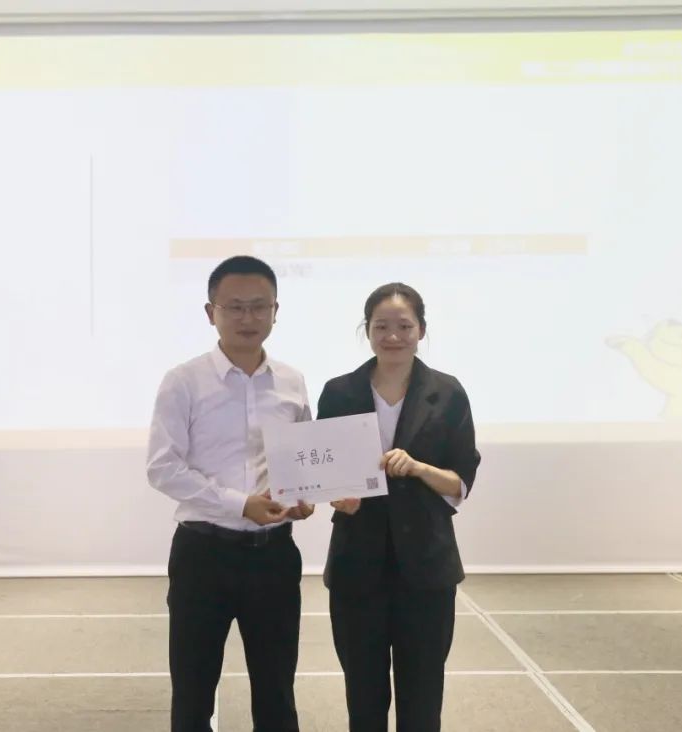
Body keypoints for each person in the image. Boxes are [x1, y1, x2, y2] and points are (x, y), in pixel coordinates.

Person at [147, 255, 315, 732]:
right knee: (194, 691)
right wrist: (240, 504)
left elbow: (301, 459)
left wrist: (304, 498)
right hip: (204, 556)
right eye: (235, 307)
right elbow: (162, 468)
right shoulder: (183, 381)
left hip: (274, 557)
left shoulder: (292, 381)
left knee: (277, 692)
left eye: (259, 306)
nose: (248, 318)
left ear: (276, 311)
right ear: (211, 312)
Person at [319, 282, 481, 732]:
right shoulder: (339, 392)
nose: (393, 336)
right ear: (367, 330)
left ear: (421, 330)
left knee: (423, 697)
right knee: (363, 697)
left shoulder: (448, 392)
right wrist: (338, 496)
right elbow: (326, 471)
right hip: (356, 565)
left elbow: (460, 481)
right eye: (381, 326)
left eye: (404, 326)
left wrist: (419, 468)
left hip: (427, 567)